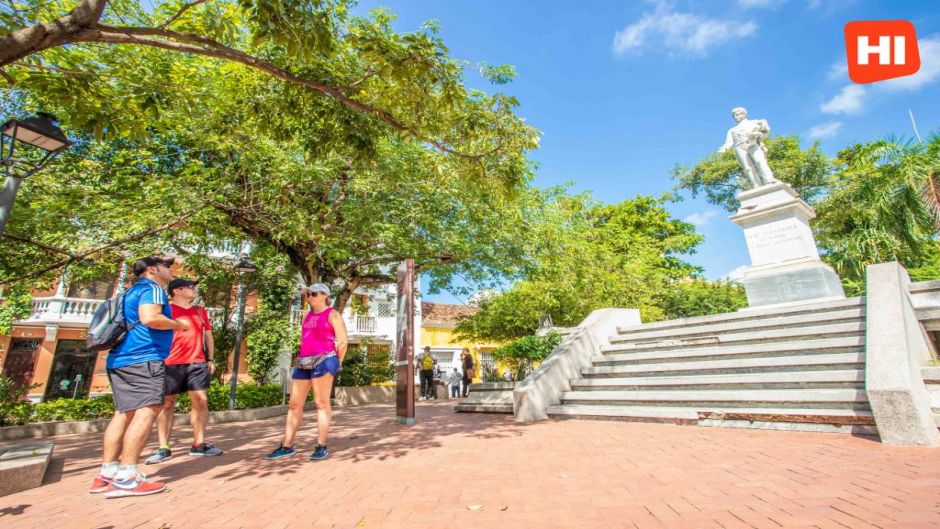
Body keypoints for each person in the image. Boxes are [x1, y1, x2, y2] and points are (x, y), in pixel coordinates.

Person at [90, 256, 189, 498]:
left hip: (120, 359)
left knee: (124, 413)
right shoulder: (153, 289)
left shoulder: (129, 292)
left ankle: (107, 473)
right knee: (149, 409)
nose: (171, 270)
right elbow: (150, 318)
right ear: (153, 270)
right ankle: (126, 477)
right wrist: (178, 324)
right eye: (167, 267)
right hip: (143, 358)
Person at [266, 283, 347, 461]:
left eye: (313, 293)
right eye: (307, 293)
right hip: (304, 361)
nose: (309, 296)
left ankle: (321, 445)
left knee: (321, 403)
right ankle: (286, 446)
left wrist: (336, 363)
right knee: (294, 404)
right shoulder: (307, 316)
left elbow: (342, 342)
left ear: (325, 295)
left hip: (324, 360)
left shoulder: (333, 314)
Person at [145, 278, 222, 464]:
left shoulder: (200, 311)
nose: (195, 289)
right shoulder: (164, 310)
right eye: (191, 287)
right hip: (170, 362)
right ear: (177, 291)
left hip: (197, 362)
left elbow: (208, 336)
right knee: (167, 404)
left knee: (200, 402)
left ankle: (199, 443)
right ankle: (164, 447)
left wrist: (210, 359)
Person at [718, 107, 777, 189]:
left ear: (744, 114)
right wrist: (725, 148)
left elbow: (765, 131)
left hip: (752, 144)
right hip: (739, 147)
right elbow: (729, 142)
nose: (735, 117)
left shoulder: (754, 122)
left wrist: (758, 134)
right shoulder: (732, 130)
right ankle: (756, 184)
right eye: (734, 116)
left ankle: (769, 179)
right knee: (748, 168)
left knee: (759, 161)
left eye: (737, 115)